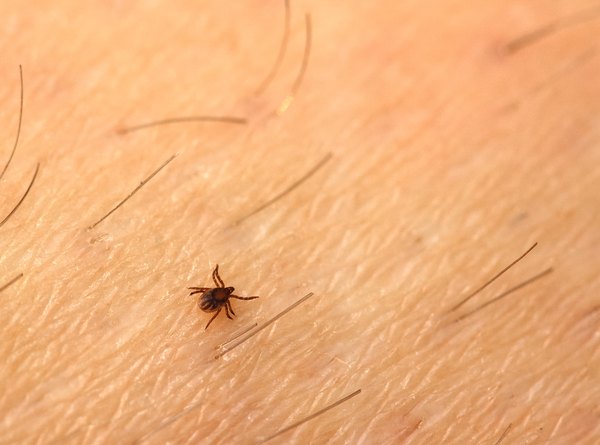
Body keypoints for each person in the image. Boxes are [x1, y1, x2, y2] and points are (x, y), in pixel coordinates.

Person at [1, 1, 598, 443]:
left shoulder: (216, 294)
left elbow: (212, 291)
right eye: (222, 293)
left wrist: (209, 308)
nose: (222, 294)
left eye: (221, 293)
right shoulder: (222, 294)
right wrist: (217, 309)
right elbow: (219, 293)